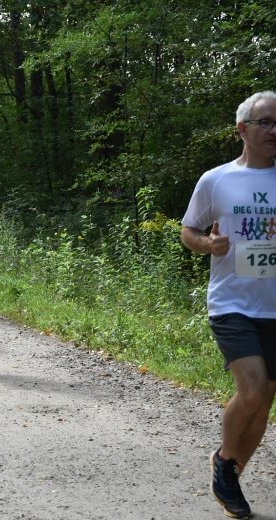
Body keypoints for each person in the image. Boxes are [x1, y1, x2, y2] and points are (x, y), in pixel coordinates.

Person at [180, 90, 276, 520]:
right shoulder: (216, 179)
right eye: (266, 123)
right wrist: (208, 243)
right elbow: (189, 232)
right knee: (252, 387)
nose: (274, 131)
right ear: (243, 129)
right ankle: (225, 461)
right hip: (232, 302)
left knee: (265, 400)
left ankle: (230, 474)